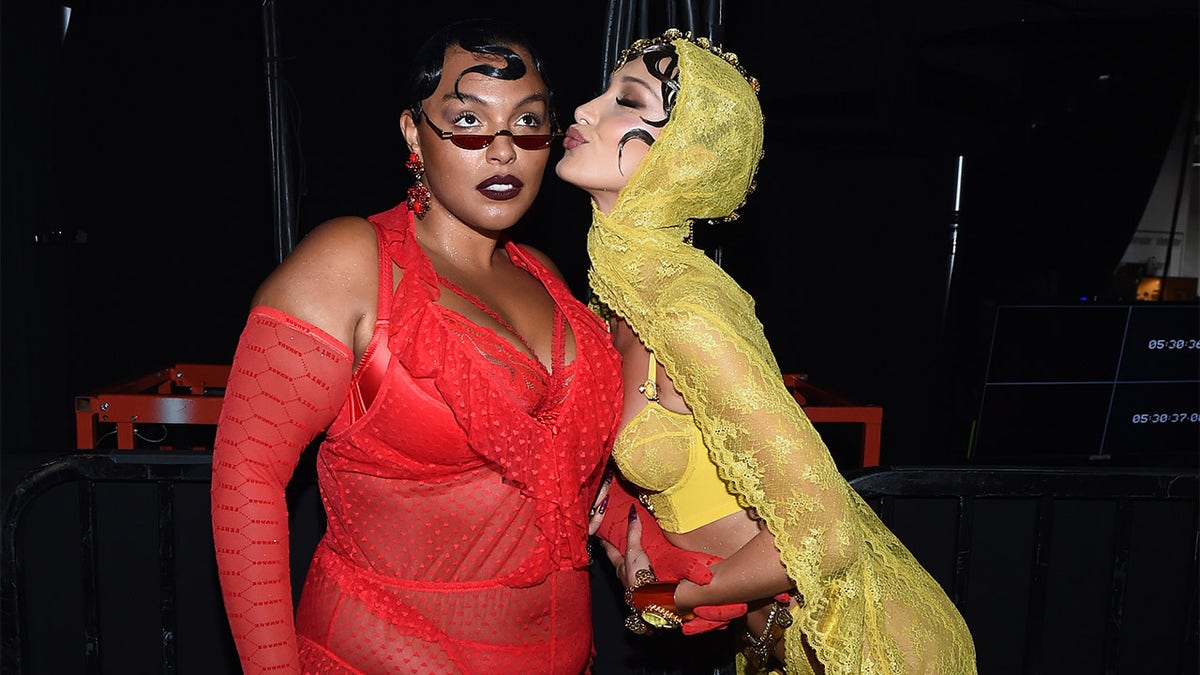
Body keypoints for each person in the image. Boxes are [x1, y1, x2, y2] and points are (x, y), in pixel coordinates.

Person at [209, 18, 627, 674]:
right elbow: (247, 482)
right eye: (467, 121)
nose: (503, 149)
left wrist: (664, 564)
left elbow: (570, 487)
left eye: (527, 122)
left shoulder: (545, 276)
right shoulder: (351, 262)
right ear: (414, 132)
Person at [557, 29, 978, 674]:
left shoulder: (685, 307)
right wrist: (633, 563)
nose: (586, 109)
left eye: (627, 100)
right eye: (605, 92)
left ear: (683, 159)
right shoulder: (617, 299)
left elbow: (826, 534)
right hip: (770, 643)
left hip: (865, 648)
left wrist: (675, 594)